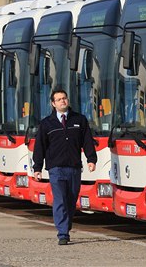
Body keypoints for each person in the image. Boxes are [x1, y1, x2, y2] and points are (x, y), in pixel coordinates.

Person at [32, 88, 97, 245]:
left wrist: (91, 159)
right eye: (59, 99)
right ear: (53, 104)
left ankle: (65, 227)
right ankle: (63, 233)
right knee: (60, 199)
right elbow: (39, 146)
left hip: (74, 168)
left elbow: (87, 140)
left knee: (71, 200)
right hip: (56, 169)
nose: (62, 101)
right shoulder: (47, 124)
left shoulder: (79, 120)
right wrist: (37, 168)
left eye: (64, 98)